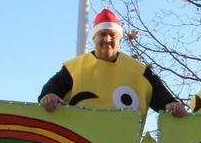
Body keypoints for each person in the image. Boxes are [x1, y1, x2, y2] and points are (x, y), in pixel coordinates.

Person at [39, 9, 186, 117]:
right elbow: (51, 90)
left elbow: (163, 98)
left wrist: (172, 105)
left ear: (120, 39)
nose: (107, 39)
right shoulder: (74, 69)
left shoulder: (139, 72)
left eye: (112, 35)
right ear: (94, 38)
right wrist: (49, 96)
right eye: (102, 34)